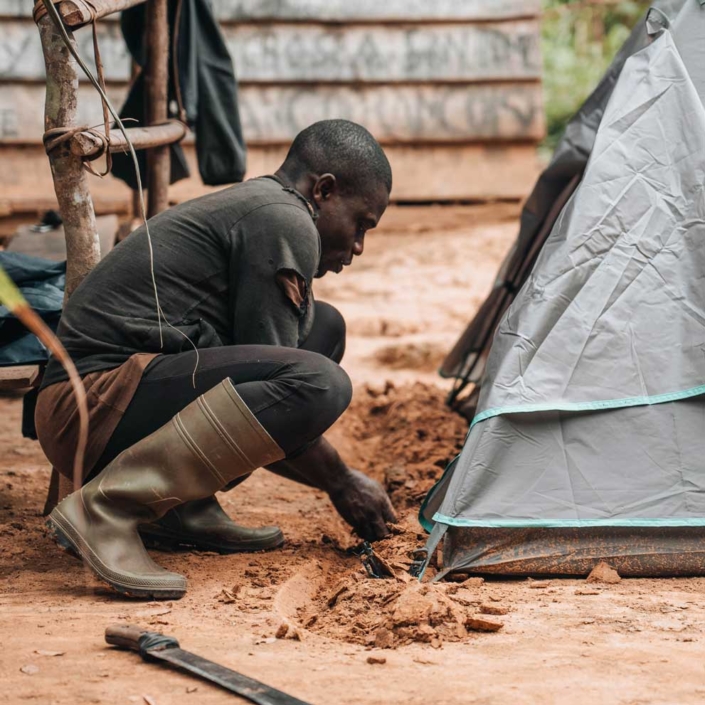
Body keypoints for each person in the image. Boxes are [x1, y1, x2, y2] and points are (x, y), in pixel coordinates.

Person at [36, 119, 397, 599]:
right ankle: (107, 509)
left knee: (323, 327)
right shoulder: (284, 219)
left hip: (111, 397)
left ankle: (180, 507)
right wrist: (339, 480)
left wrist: (335, 478)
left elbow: (263, 392)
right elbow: (287, 391)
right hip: (88, 408)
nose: (357, 248)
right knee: (320, 383)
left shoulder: (264, 207)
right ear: (324, 190)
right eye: (360, 225)